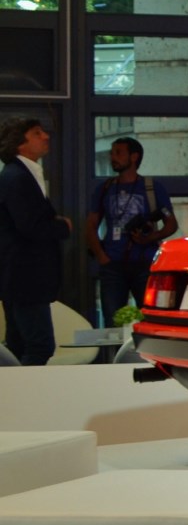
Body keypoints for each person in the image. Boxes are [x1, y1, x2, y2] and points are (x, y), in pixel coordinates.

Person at [0, 116, 72, 366]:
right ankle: (24, 389)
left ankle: (14, 388)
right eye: (37, 133)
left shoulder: (19, 174)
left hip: (19, 277)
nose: (46, 137)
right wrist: (62, 226)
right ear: (20, 143)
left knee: (19, 345)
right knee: (40, 345)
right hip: (26, 277)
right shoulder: (18, 177)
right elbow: (29, 226)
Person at [85, 136, 176, 323]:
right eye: (112, 153)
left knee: (150, 318)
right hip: (113, 265)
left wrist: (151, 237)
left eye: (118, 153)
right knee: (113, 322)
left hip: (144, 263)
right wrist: (101, 256)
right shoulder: (105, 189)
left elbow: (171, 224)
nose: (113, 157)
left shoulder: (152, 188)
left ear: (134, 157)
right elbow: (91, 225)